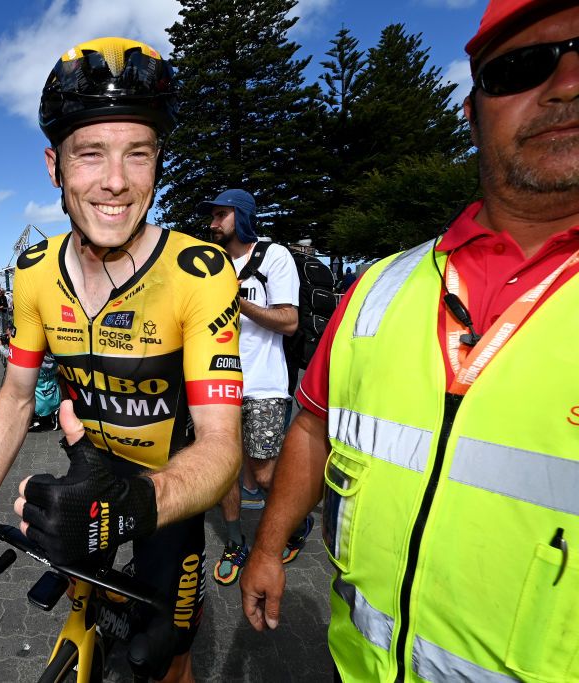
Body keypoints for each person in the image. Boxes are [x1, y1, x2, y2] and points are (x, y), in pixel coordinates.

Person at [240, 2, 579, 681]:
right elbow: (314, 422)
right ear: (473, 111)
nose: (566, 83)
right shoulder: (379, 287)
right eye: (519, 68)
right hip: (358, 664)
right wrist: (270, 546)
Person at [0, 38, 243, 683]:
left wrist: (136, 507)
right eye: (90, 153)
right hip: (86, 486)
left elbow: (223, 446)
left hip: (165, 501)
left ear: (156, 162)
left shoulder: (199, 273)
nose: (115, 180)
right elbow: (12, 395)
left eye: (136, 154)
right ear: (54, 165)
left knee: (167, 663)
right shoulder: (33, 272)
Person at [198, 189, 312, 585]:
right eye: (211, 217)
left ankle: (295, 527)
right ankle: (234, 543)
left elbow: (288, 321)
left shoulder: (273, 256)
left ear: (242, 216)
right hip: (218, 384)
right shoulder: (209, 265)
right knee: (226, 472)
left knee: (263, 476)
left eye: (219, 215)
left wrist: (236, 300)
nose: (212, 224)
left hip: (264, 385)